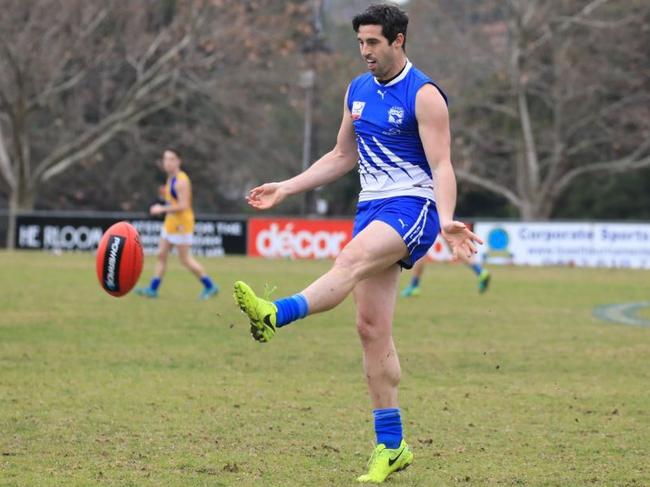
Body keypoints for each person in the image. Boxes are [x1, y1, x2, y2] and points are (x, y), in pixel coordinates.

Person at [233, 4, 482, 483]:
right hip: (371, 208)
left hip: (414, 207)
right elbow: (342, 155)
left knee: (347, 260)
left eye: (373, 43)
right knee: (371, 329)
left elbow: (442, 165)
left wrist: (448, 219)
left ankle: (274, 313)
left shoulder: (425, 95)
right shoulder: (357, 90)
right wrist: (287, 186)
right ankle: (393, 447)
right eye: (361, 43)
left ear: (398, 41)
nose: (365, 52)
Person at [136, 149, 219, 300]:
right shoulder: (170, 178)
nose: (168, 162)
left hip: (182, 225)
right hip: (171, 222)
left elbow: (184, 205)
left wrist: (161, 208)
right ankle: (153, 289)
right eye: (166, 159)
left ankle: (210, 286)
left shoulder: (181, 180)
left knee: (185, 260)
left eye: (171, 159)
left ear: (178, 161)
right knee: (161, 255)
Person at [400, 240, 491, 297]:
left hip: (433, 214)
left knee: (420, 246)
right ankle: (480, 271)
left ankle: (414, 286)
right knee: (452, 246)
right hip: (443, 215)